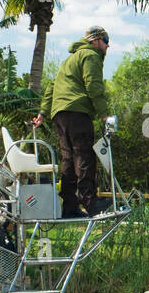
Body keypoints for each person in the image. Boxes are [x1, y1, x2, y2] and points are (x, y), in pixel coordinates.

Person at [32, 25, 111, 218]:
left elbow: (52, 86)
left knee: (68, 159)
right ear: (96, 40)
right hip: (77, 110)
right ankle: (90, 203)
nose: (108, 47)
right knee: (84, 155)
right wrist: (105, 115)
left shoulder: (69, 60)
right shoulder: (90, 55)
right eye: (106, 42)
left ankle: (69, 206)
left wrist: (43, 112)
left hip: (59, 113)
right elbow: (93, 85)